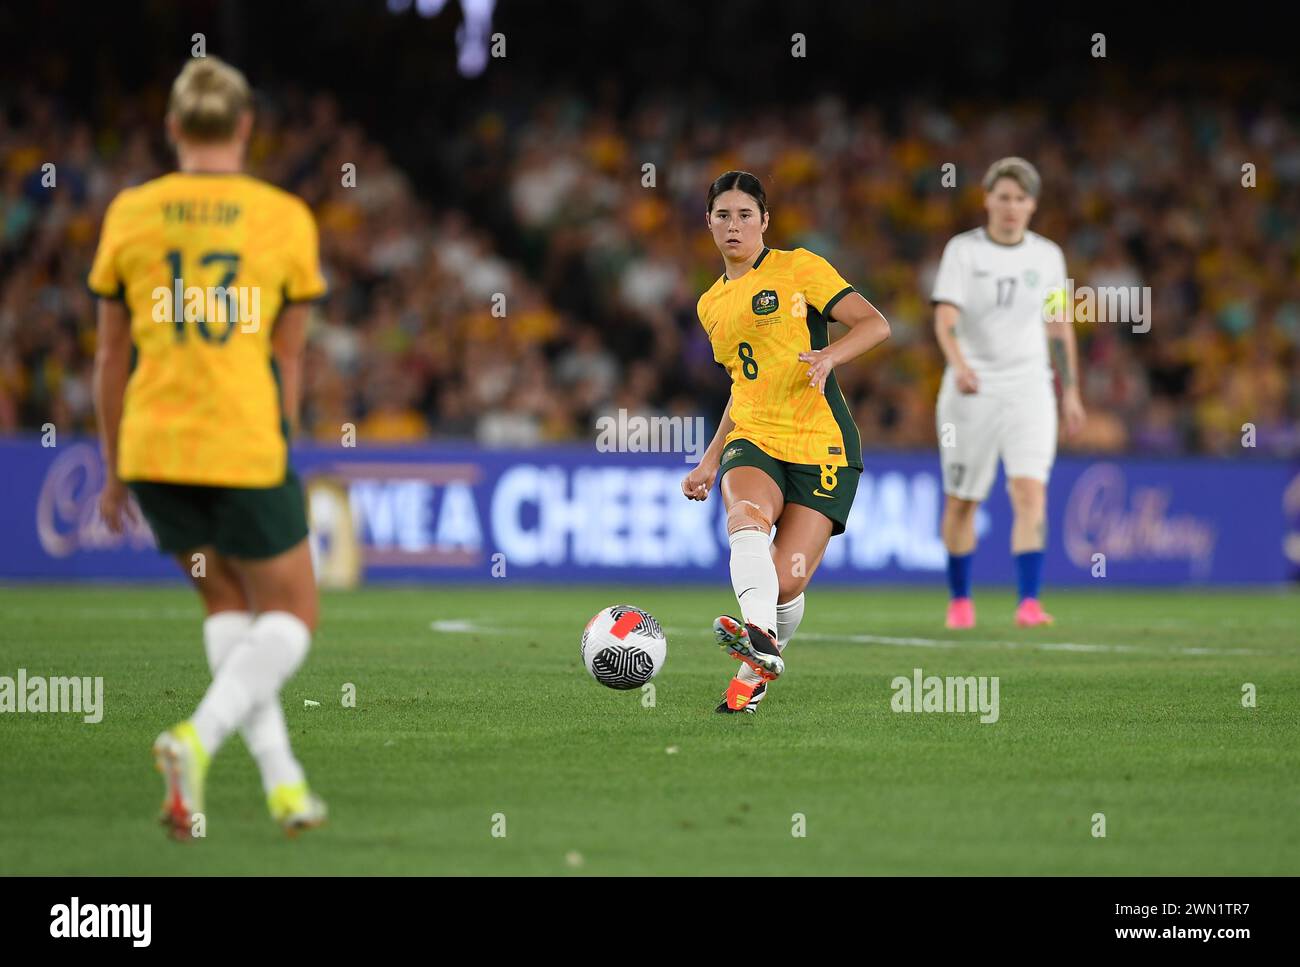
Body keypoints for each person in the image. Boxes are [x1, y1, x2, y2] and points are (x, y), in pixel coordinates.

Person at [91, 56, 328, 838]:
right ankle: (195, 737)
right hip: (239, 440)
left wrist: (114, 464)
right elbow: (288, 356)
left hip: (154, 443)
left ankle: (285, 784)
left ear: (172, 129)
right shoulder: (284, 216)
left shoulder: (131, 211)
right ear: (247, 127)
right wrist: (282, 442)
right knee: (294, 610)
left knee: (227, 603)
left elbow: (108, 356)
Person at [683, 171, 892, 713]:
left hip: (823, 445)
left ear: (764, 222)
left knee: (784, 585)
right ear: (708, 222)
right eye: (723, 215)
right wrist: (710, 461)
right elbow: (741, 385)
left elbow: (875, 325)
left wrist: (829, 356)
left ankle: (753, 673)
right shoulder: (710, 306)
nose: (734, 225)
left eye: (745, 215)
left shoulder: (800, 267)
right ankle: (757, 634)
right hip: (755, 437)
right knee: (746, 516)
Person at [931, 157, 1086, 629]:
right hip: (971, 389)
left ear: (1033, 204)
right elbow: (945, 318)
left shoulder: (1048, 256)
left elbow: (1059, 326)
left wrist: (1071, 392)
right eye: (1004, 197)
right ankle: (960, 599)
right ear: (988, 200)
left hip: (1029, 387)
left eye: (1021, 199)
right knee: (963, 500)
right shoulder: (964, 251)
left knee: (1029, 491)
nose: (1012, 207)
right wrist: (959, 365)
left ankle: (1029, 602)